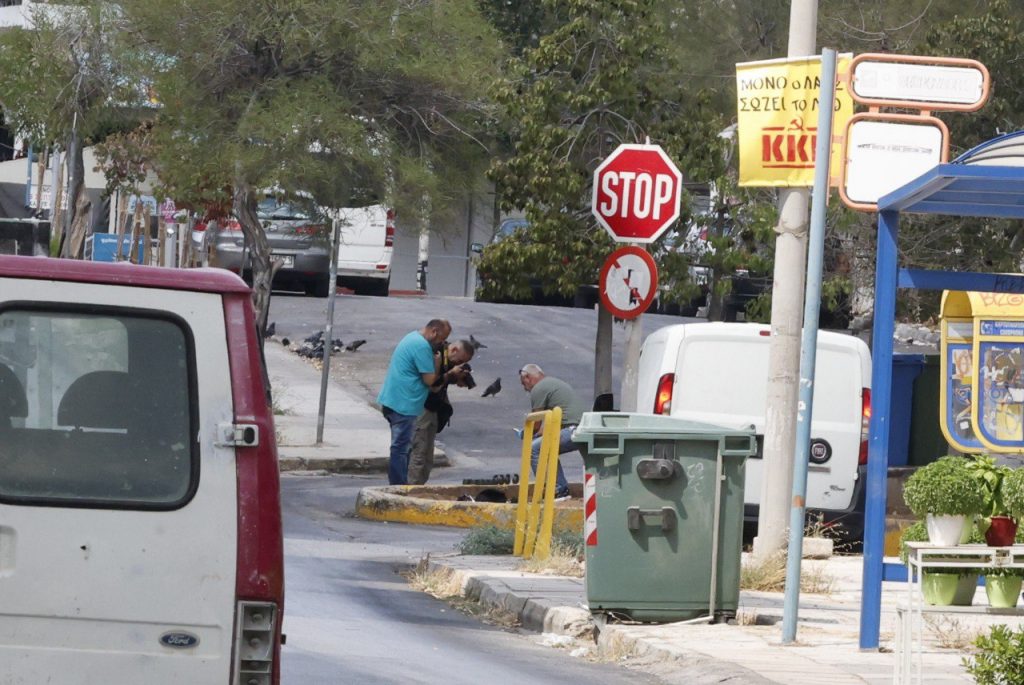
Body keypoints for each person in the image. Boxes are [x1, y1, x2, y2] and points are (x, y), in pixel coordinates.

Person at [377, 319, 450, 485]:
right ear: (434, 331)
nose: (441, 344)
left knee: (403, 447)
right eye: (441, 339)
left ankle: (399, 485)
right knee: (401, 449)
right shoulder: (422, 346)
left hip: (394, 400)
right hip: (404, 405)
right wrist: (438, 365)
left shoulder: (411, 337)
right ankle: (398, 488)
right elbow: (430, 381)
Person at [408, 339, 475, 485]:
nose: (458, 364)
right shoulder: (435, 355)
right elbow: (433, 385)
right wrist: (450, 375)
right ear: (454, 350)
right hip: (422, 407)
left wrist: (458, 378)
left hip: (434, 407)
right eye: (460, 360)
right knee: (419, 452)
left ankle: (419, 487)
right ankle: (410, 489)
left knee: (427, 457)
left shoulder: (448, 360)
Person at [518, 364, 588, 499]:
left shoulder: (538, 388)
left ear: (528, 377)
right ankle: (560, 488)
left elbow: (536, 424)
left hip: (572, 429)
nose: (525, 388)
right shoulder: (552, 384)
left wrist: (524, 433)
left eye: (523, 384)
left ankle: (558, 490)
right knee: (546, 446)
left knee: (535, 449)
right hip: (582, 427)